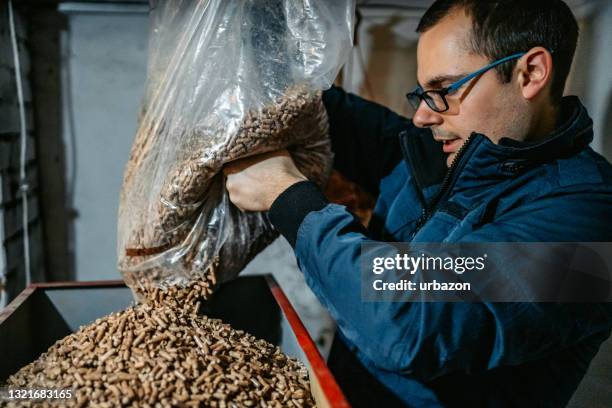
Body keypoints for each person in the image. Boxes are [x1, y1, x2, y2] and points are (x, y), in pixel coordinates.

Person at [224, 0, 612, 406]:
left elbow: (407, 318)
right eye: (423, 94)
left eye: (444, 90)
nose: (422, 117)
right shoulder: (441, 154)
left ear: (529, 73)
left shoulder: (591, 226)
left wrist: (287, 197)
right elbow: (316, 105)